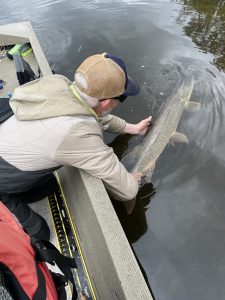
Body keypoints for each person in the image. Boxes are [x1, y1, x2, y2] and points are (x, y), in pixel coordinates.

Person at [0, 52, 151, 240]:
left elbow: (95, 115)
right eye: (122, 98)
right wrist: (132, 179)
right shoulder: (78, 132)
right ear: (106, 102)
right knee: (44, 209)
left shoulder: (59, 84)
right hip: (4, 178)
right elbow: (126, 191)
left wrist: (133, 128)